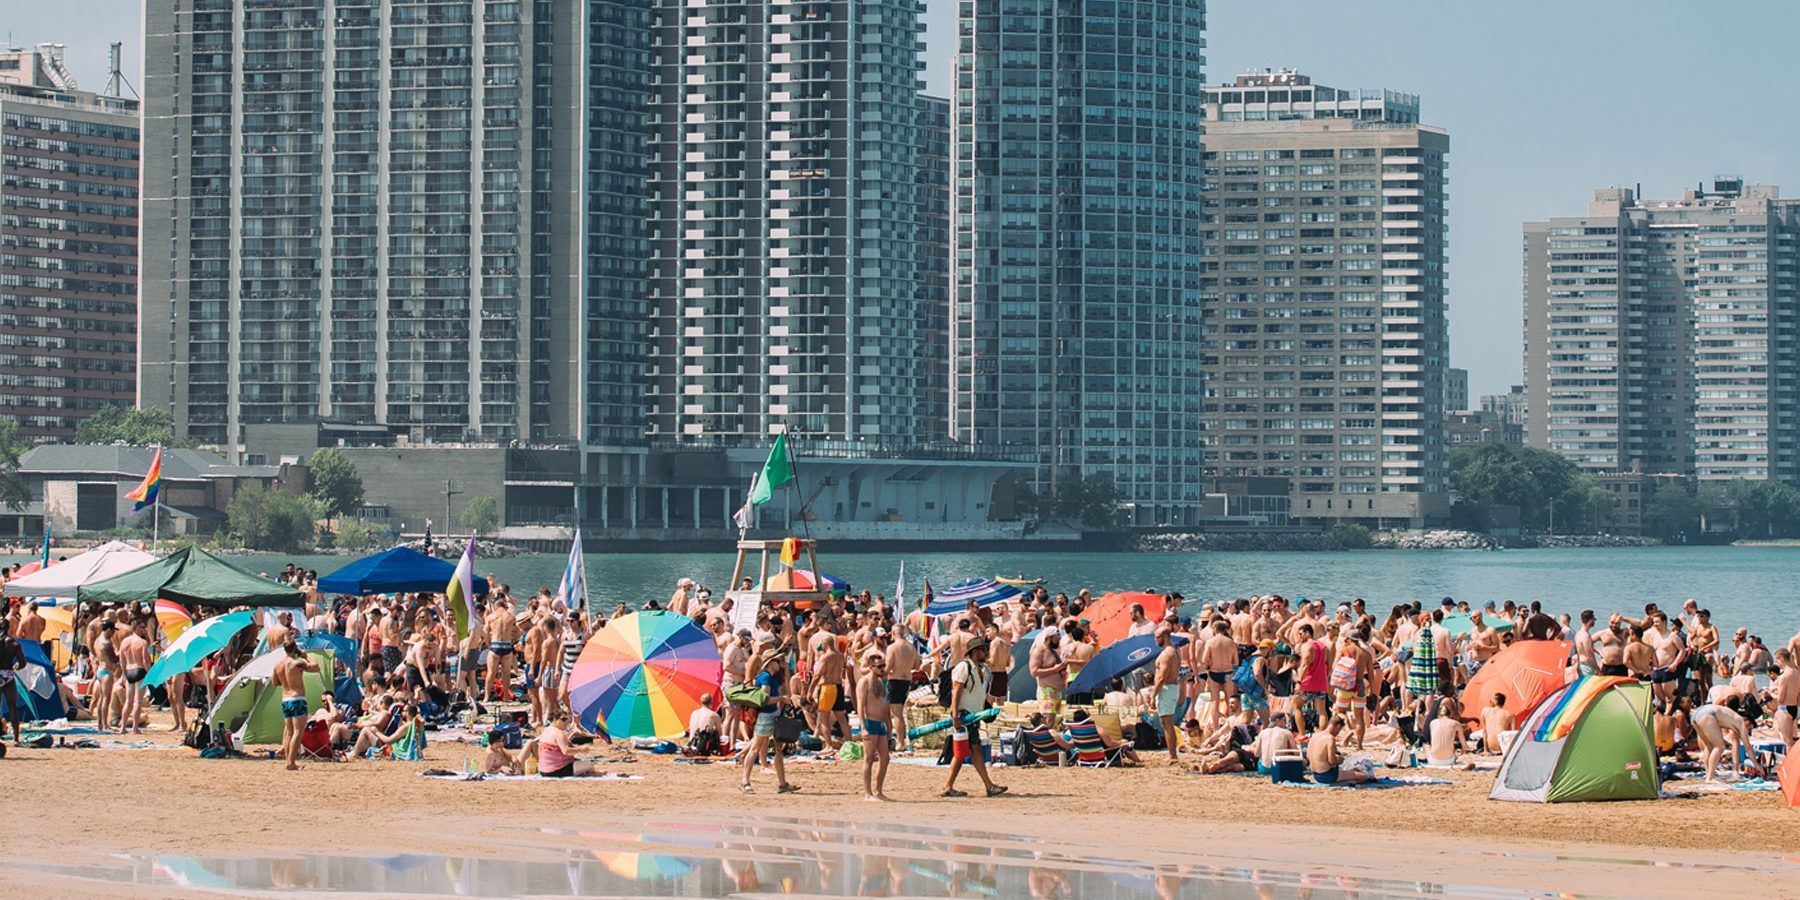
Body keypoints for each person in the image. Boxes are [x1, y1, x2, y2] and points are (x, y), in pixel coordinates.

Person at [942, 638, 1005, 798]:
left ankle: (988, 785)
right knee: (962, 752)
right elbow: (957, 691)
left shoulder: (978, 669)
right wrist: (955, 715)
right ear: (975, 652)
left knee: (973, 750)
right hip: (964, 716)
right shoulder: (964, 667)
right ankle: (949, 787)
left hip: (972, 717)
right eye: (983, 650)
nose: (985, 653)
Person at [739, 652, 799, 795]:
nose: (780, 662)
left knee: (778, 749)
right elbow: (765, 700)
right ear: (770, 662)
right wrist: (781, 699)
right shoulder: (765, 677)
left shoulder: (770, 677)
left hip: (772, 715)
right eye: (777, 660)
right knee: (756, 748)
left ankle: (782, 783)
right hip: (766, 716)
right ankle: (744, 781)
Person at [272, 641, 320, 771]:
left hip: (285, 699)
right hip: (297, 698)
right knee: (298, 731)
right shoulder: (296, 663)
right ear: (295, 648)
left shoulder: (278, 665)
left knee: (288, 732)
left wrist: (286, 681)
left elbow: (275, 682)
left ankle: (289, 760)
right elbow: (316, 667)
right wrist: (305, 655)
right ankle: (291, 762)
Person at [855, 649, 893, 801]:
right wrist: (863, 727)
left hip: (881, 723)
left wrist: (889, 725)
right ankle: (868, 793)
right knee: (869, 758)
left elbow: (884, 704)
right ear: (871, 667)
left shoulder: (880, 682)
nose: (882, 669)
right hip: (870, 723)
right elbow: (860, 705)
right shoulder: (864, 682)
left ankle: (878, 791)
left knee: (885, 758)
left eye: (883, 666)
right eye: (879, 667)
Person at [1690, 696, 1753, 782]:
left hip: (1696, 714)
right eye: (1749, 727)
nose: (1749, 728)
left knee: (1709, 746)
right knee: (1719, 747)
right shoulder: (1739, 721)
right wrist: (1757, 766)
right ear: (1748, 721)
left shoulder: (1728, 714)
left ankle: (1708, 773)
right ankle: (1710, 778)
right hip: (1707, 714)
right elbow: (1747, 747)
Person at [1307, 716, 1371, 785]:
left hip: (1315, 775)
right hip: (1327, 775)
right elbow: (1331, 761)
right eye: (1339, 730)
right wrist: (1339, 760)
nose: (1338, 733)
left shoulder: (1315, 735)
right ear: (1337, 726)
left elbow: (1309, 755)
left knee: (1347, 772)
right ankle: (1344, 782)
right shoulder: (1330, 738)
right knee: (1363, 776)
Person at [1150, 626, 1181, 762]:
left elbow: (1162, 677)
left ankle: (1172, 755)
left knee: (1167, 723)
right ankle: (1172, 753)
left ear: (1166, 637)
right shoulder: (1174, 651)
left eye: (1157, 637)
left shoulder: (1167, 654)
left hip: (1167, 688)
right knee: (1167, 722)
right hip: (1171, 687)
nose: (1155, 640)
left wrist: (1153, 695)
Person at [116, 619, 152, 734]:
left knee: (128, 701)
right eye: (142, 627)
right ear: (136, 628)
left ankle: (123, 727)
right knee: (137, 701)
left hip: (128, 671)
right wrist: (150, 673)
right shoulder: (142, 643)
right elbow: (145, 660)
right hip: (139, 669)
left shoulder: (124, 642)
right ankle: (135, 727)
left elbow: (122, 660)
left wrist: (123, 674)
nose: (144, 629)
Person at [1029, 628, 1069, 725]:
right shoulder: (1039, 651)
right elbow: (1034, 672)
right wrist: (1054, 669)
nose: (1057, 642)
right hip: (1046, 690)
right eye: (1055, 640)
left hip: (1057, 691)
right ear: (1047, 638)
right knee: (1047, 719)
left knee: (1053, 721)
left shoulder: (1056, 650)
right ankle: (1045, 738)